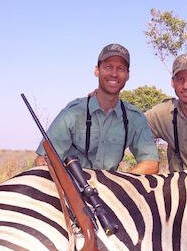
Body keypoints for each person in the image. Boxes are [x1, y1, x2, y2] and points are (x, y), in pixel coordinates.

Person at [35, 44, 160, 173]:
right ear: (97, 70)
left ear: (127, 75)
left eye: (121, 69)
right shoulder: (73, 112)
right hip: (72, 184)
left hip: (110, 190)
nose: (114, 74)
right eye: (108, 67)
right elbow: (42, 159)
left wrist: (118, 186)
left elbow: (150, 163)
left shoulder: (134, 117)